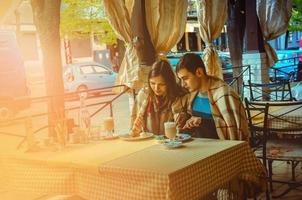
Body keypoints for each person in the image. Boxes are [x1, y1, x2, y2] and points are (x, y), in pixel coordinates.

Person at [172, 53, 249, 141]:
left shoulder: (224, 94)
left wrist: (202, 121)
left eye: (185, 78)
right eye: (181, 79)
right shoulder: (193, 94)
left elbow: (235, 131)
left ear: (199, 72)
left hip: (221, 151)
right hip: (199, 149)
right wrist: (185, 118)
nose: (182, 84)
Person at [131, 59, 185, 136]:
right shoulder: (143, 96)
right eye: (152, 83)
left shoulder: (179, 97)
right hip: (149, 143)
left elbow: (183, 132)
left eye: (162, 84)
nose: (156, 88)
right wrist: (136, 130)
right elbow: (133, 130)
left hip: (172, 144)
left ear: (169, 83)